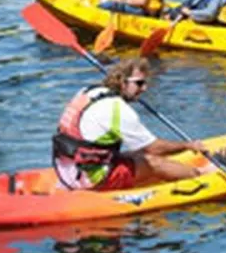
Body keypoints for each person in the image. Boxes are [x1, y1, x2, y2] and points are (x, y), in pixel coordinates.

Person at [52, 59, 208, 191]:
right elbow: (153, 148)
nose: (144, 88)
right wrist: (188, 146)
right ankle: (201, 176)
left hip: (66, 169)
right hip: (92, 179)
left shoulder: (88, 92)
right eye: (139, 83)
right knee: (153, 162)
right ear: (122, 82)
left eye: (145, 83)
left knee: (136, 155)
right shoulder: (118, 109)